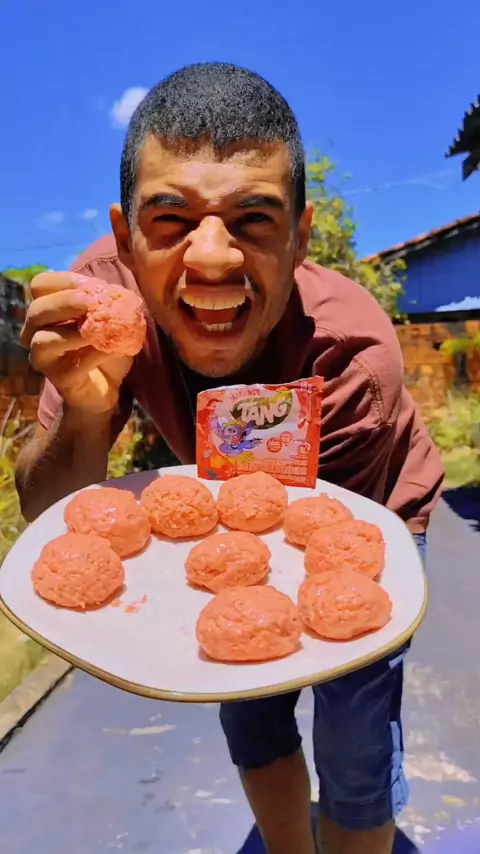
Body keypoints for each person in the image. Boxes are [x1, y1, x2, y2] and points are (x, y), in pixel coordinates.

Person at [16, 62, 444, 854]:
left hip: (372, 510)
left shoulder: (348, 354)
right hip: (225, 494)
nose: (212, 258)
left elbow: (317, 556)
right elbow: (51, 519)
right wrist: (86, 408)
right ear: (124, 236)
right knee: (250, 716)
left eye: (253, 217)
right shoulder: (94, 304)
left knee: (354, 735)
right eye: (170, 217)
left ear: (301, 236)